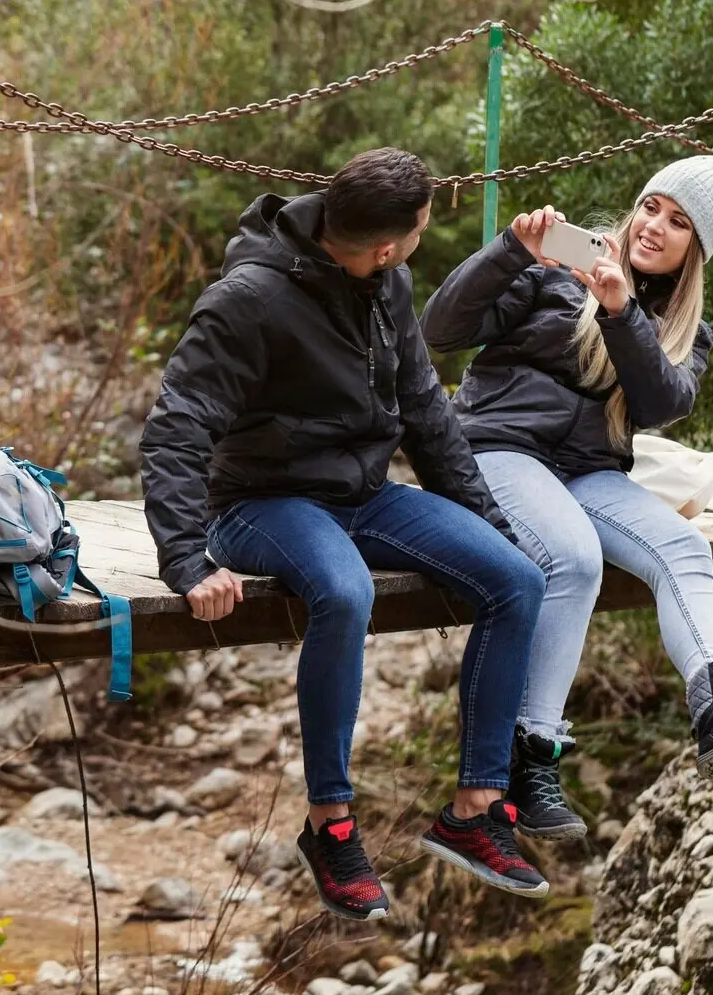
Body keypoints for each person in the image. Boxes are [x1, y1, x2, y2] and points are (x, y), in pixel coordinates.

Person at [140, 148, 552, 922]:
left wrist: (490, 528)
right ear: (387, 244)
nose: (420, 239)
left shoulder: (387, 283)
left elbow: (426, 413)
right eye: (421, 227)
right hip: (259, 503)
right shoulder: (247, 299)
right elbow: (176, 428)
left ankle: (473, 809)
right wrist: (186, 559)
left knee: (517, 580)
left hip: (363, 495)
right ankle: (329, 824)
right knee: (343, 590)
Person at [420, 155, 713, 838]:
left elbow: (661, 403)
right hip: (497, 449)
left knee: (684, 547)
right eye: (652, 207)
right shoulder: (552, 272)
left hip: (586, 471)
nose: (655, 226)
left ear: (696, 249)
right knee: (572, 559)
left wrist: (620, 312)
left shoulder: (684, 330)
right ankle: (532, 756)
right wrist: (510, 250)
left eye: (678, 222)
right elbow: (438, 330)